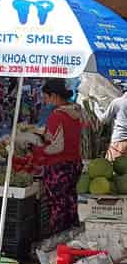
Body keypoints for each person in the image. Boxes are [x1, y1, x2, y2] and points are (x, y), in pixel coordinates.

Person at [35, 79, 84, 235]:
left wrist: (39, 149)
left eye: (46, 97)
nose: (45, 100)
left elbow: (57, 146)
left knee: (57, 205)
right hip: (74, 163)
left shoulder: (57, 116)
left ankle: (55, 240)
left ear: (55, 96)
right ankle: (71, 238)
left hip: (58, 167)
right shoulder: (77, 112)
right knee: (70, 203)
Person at [102, 90, 127, 162]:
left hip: (119, 140)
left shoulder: (117, 102)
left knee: (112, 167)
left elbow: (104, 119)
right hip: (120, 139)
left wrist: (95, 108)